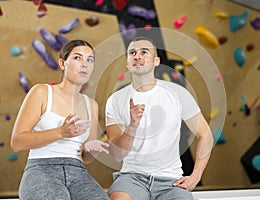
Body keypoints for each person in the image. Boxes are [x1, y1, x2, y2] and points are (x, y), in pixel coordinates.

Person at [105, 36, 213, 200]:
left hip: (171, 181)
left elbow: (206, 135)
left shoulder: (178, 94)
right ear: (127, 62)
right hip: (132, 178)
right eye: (132, 53)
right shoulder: (116, 100)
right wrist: (132, 127)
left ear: (156, 61)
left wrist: (196, 175)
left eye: (144, 52)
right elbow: (117, 155)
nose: (137, 56)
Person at [11, 40, 110, 200]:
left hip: (78, 172)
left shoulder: (92, 105)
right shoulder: (42, 92)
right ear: (62, 63)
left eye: (89, 60)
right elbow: (17, 142)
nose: (84, 64)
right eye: (78, 58)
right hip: (41, 170)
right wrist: (60, 132)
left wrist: (92, 149)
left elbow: (86, 158)